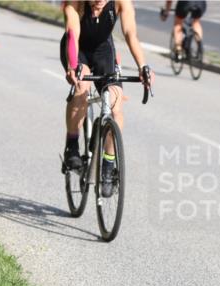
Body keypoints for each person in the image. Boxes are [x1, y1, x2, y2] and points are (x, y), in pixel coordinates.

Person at [60, 0, 154, 196]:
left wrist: (143, 67)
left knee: (116, 106)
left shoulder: (121, 2)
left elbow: (130, 34)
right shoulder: (75, 3)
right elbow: (72, 34)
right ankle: (72, 145)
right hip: (78, 50)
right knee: (81, 88)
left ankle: (108, 165)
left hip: (104, 51)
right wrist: (73, 66)